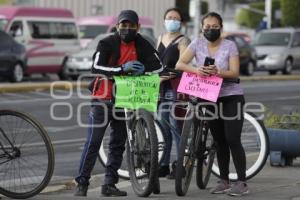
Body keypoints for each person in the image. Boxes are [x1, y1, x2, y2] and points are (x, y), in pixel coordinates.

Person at [74, 10, 163, 197]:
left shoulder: (142, 43)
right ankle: (82, 183)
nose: (127, 29)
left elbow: (159, 65)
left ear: (138, 27)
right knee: (93, 141)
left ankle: (109, 184)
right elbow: (96, 67)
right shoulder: (106, 43)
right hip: (103, 99)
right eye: (124, 25)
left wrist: (143, 68)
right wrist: (121, 69)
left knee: (118, 143)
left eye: (132, 26)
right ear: (117, 26)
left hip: (126, 100)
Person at [175, 12, 249, 196]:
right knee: (219, 141)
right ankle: (224, 180)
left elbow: (235, 73)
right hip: (208, 96)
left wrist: (218, 72)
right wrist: (197, 70)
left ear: (221, 28)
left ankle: (242, 182)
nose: (210, 30)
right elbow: (180, 64)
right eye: (207, 27)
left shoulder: (230, 45)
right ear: (201, 28)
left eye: (215, 27)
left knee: (233, 138)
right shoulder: (197, 43)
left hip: (231, 96)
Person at [156, 7, 190, 179]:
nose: (172, 20)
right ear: (164, 20)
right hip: (161, 89)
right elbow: (156, 62)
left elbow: (182, 66)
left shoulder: (183, 41)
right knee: (163, 128)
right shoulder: (160, 38)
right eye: (169, 17)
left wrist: (164, 77)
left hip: (175, 88)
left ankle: (181, 165)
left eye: (175, 18)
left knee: (175, 127)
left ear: (181, 22)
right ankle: (163, 164)